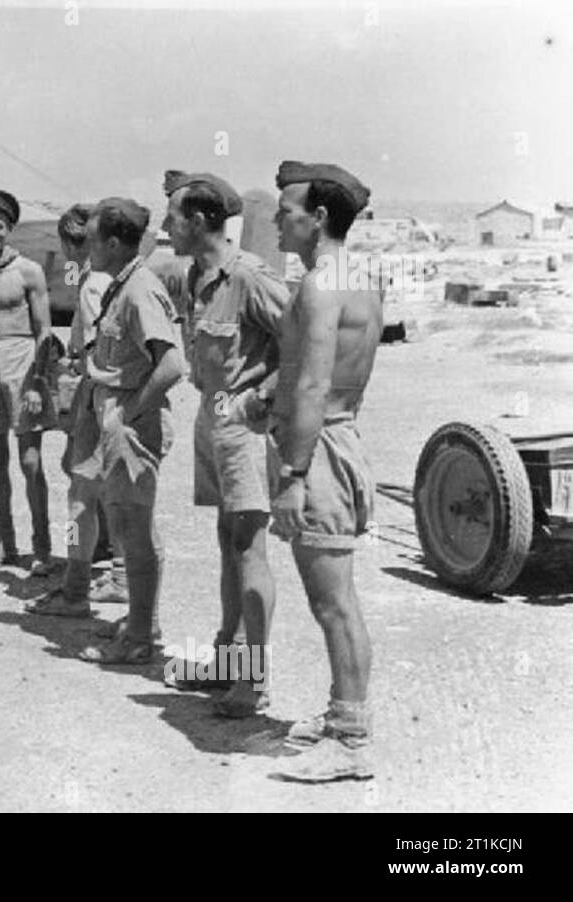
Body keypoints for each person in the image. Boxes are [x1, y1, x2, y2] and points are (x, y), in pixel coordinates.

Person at [27, 199, 184, 668]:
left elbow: (173, 364)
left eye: (92, 239)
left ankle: (138, 637)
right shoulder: (120, 285)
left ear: (114, 243)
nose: (85, 246)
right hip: (111, 408)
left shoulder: (136, 291)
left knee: (132, 529)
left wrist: (131, 410)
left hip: (125, 417)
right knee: (128, 524)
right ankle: (141, 624)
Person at [266, 161, 381, 783]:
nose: (280, 219)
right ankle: (343, 715)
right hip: (338, 438)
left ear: (318, 218)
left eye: (289, 210)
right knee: (331, 598)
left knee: (333, 601)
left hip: (320, 454)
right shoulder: (354, 277)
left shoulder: (318, 286)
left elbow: (314, 385)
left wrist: (292, 473)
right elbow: (333, 376)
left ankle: (351, 741)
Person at [161, 171, 289, 718]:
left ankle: (253, 682)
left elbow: (305, 345)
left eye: (172, 217)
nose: (166, 226)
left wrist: (263, 394)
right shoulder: (197, 277)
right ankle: (227, 662)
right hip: (211, 416)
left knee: (249, 546)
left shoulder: (250, 277)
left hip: (243, 424)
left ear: (198, 220)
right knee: (226, 541)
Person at [0, 189, 56, 576]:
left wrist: (37, 382)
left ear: (10, 228)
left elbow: (45, 330)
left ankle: (43, 547)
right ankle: (4, 542)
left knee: (30, 460)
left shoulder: (29, 271)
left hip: (23, 363)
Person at [55, 202, 129, 603]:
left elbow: (96, 346)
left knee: (83, 489)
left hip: (95, 389)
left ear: (71, 244)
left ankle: (90, 581)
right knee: (93, 481)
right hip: (106, 389)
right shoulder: (106, 277)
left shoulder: (91, 283)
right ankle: (110, 564)